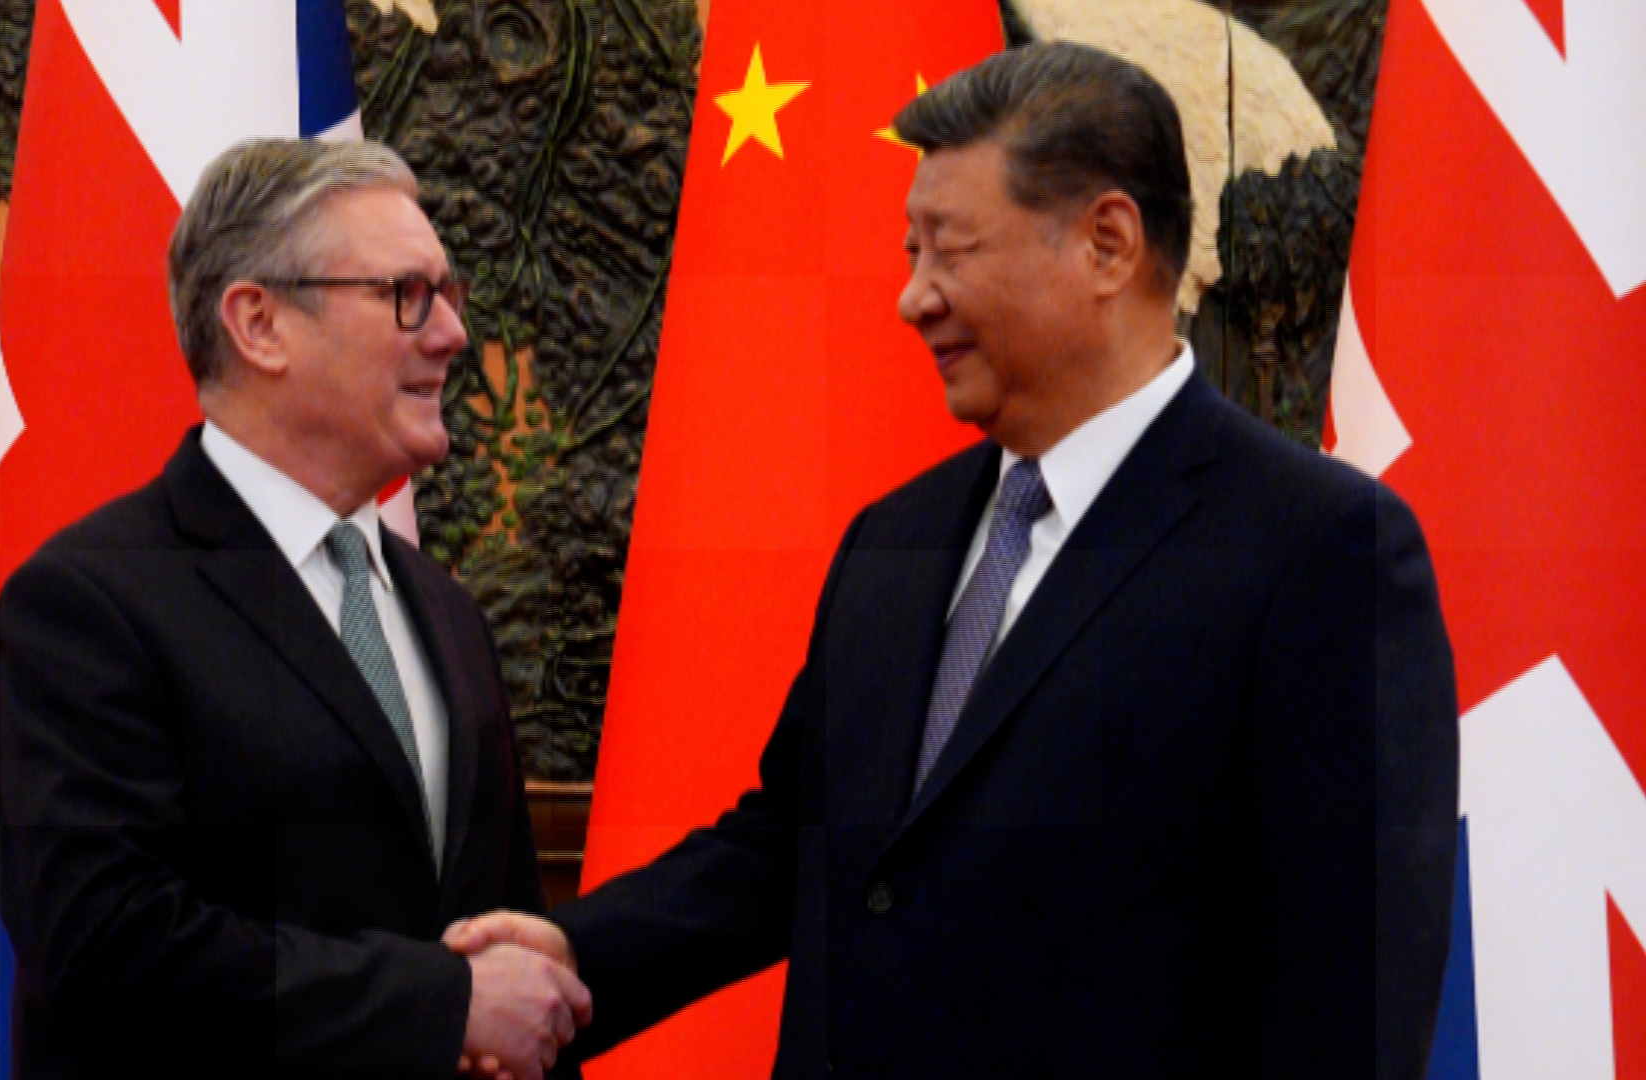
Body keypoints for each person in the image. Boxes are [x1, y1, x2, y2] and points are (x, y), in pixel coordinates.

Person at [446, 42, 1459, 1080]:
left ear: (1108, 244)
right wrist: (574, 958)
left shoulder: (1314, 550)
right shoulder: (895, 539)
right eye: (910, 253)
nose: (913, 298)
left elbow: (1350, 998)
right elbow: (796, 842)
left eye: (950, 252)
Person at [0, 139, 589, 1080]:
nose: (451, 335)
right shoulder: (88, 602)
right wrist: (441, 1005)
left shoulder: (447, 612)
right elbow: (104, 942)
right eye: (406, 295)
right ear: (259, 325)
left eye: (449, 293)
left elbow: (501, 944)